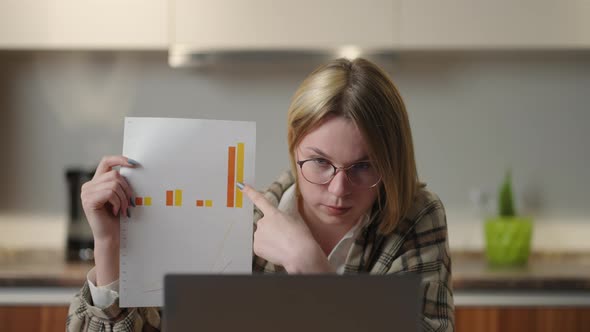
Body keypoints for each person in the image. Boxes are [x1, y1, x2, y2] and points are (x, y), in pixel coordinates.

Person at [67, 58, 454, 331]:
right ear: (293, 145)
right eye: (319, 162)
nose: (338, 190)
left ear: (392, 162)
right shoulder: (233, 224)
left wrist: (311, 268)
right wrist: (109, 246)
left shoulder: (415, 218)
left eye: (364, 167)